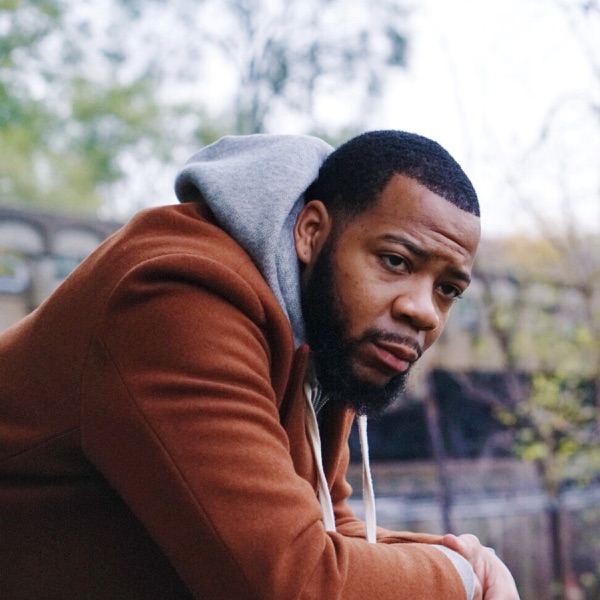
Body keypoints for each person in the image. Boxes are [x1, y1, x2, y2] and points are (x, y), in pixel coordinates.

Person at [0, 131, 519, 599]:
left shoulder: (326, 337)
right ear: (311, 232)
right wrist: (458, 578)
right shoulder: (177, 295)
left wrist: (466, 560)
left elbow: (326, 525)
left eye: (448, 289)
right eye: (395, 261)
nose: (424, 311)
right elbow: (289, 581)